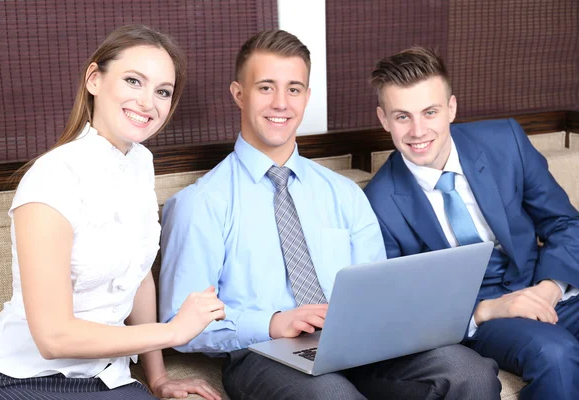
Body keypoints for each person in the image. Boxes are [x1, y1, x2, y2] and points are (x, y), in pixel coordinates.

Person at [159, 30, 500, 400]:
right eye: (265, 87)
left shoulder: (344, 194)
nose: (280, 103)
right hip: (262, 354)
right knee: (332, 395)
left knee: (470, 372)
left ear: (306, 97)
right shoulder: (201, 202)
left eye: (293, 89)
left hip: (360, 346)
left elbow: (379, 293)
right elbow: (179, 323)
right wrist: (272, 323)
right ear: (239, 94)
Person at [0, 25, 225, 400]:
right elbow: (53, 338)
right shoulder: (52, 178)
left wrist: (157, 377)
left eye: (162, 91)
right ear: (95, 80)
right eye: (133, 81)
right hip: (23, 377)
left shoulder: (140, 163)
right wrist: (174, 330)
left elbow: (138, 276)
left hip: (107, 376)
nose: (148, 102)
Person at [363, 46, 579, 399]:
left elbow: (565, 222)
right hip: (479, 312)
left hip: (542, 284)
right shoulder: (378, 202)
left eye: (429, 112)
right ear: (384, 119)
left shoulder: (505, 142)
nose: (418, 131)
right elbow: (401, 308)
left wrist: (549, 288)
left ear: (451, 108)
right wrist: (491, 309)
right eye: (402, 116)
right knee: (555, 355)